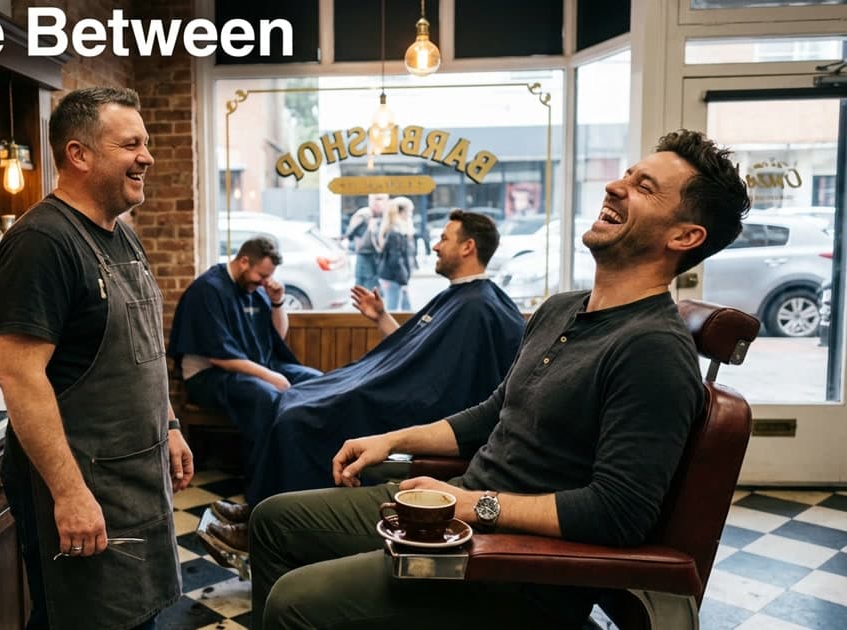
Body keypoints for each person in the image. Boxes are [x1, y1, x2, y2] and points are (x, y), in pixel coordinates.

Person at [248, 129, 751, 629]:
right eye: (627, 175)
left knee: (294, 601)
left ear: (684, 237)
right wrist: (390, 440)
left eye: (644, 187)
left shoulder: (653, 349)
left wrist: (473, 505)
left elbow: (618, 513)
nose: (614, 186)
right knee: (272, 521)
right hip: (462, 511)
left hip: (519, 570)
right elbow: (491, 415)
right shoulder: (561, 309)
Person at [0, 87, 194, 630]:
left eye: (145, 143)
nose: (147, 157)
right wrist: (69, 493)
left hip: (133, 474)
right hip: (85, 483)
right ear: (78, 155)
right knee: (84, 619)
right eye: (130, 145)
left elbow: (142, 350)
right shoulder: (41, 242)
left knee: (135, 617)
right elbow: (19, 376)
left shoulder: (121, 236)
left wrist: (169, 423)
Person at [202, 210, 525, 550]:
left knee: (296, 419)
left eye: (444, 238)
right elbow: (416, 348)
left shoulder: (480, 306)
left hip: (411, 404)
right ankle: (259, 508)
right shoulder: (460, 296)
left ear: (468, 247)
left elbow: (447, 380)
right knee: (291, 397)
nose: (435, 245)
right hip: (397, 388)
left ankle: (268, 531)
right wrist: (381, 317)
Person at [168, 236, 322, 463]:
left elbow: (276, 336)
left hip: (254, 365)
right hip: (208, 375)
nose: (266, 282)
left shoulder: (255, 287)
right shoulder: (207, 290)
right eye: (262, 275)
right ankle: (267, 469)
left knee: (317, 381)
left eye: (269, 276)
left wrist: (277, 302)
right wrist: (271, 376)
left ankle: (308, 457)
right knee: (267, 395)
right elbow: (219, 356)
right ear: (244, 262)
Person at [376, 196, 416, 311]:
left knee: (405, 310)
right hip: (394, 278)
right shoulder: (395, 233)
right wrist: (403, 282)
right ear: (401, 212)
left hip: (395, 277)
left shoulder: (397, 231)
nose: (410, 215)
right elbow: (396, 260)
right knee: (393, 311)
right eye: (409, 211)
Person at [346, 193, 388, 290]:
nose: (378, 203)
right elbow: (352, 237)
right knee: (366, 288)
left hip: (376, 259)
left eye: (381, 199)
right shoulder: (364, 215)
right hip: (365, 257)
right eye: (376, 199)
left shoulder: (384, 216)